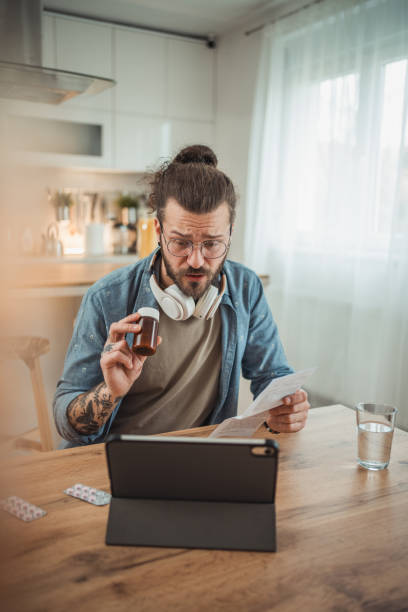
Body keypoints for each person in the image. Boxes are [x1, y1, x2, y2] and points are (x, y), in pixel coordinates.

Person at [53, 145, 310, 446]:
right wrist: (109, 393)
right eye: (180, 243)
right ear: (158, 231)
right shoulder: (106, 298)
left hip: (202, 459)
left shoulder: (246, 288)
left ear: (230, 233)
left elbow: (273, 376)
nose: (197, 261)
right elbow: (66, 423)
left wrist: (286, 407)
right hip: (115, 459)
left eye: (212, 244)